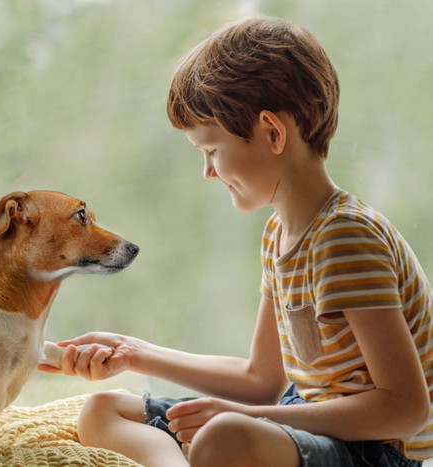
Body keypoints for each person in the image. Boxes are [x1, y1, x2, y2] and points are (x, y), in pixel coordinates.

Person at [38, 16, 433, 467]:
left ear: (272, 133)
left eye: (211, 151)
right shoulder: (279, 235)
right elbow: (262, 379)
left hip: (374, 451)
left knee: (226, 435)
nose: (208, 172)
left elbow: (404, 410)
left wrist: (246, 416)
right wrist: (135, 353)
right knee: (104, 409)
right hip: (298, 414)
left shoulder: (347, 239)